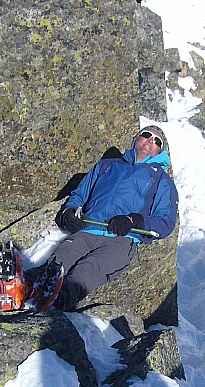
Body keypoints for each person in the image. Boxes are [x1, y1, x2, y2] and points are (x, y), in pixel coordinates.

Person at [34, 125, 178, 311]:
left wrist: (133, 221)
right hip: (88, 230)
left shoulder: (162, 180)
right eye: (146, 135)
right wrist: (69, 212)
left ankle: (57, 302)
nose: (150, 141)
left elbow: (165, 222)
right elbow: (80, 194)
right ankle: (22, 284)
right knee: (59, 261)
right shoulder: (107, 165)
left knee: (89, 269)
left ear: (160, 150)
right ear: (136, 139)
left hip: (122, 240)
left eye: (156, 140)